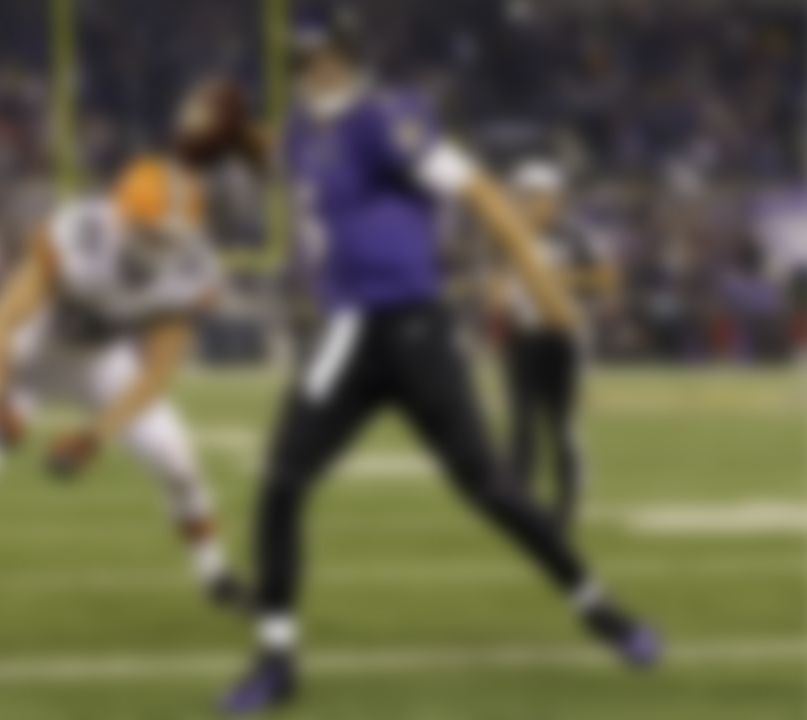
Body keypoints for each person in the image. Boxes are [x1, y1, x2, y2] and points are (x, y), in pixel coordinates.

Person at [220, 14, 661, 715]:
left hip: (412, 327)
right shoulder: (303, 131)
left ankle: (601, 609)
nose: (317, 68)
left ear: (352, 55)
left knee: (491, 487)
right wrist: (231, 137)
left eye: (327, 55)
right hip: (346, 330)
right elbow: (286, 160)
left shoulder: (386, 118)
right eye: (305, 57)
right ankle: (277, 656)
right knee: (281, 482)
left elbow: (481, 193)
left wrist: (543, 287)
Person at [0, 81, 259, 671]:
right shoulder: (82, 234)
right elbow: (1, 319)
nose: (156, 246)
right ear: (122, 216)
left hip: (101, 364)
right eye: (149, 232)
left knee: (179, 461)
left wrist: (96, 435)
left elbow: (156, 373)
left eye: (167, 237)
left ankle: (216, 574)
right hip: (28, 359)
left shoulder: (189, 269)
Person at [492, 160, 618, 533]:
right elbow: (499, 285)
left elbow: (606, 278)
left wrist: (559, 278)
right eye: (522, 196)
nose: (526, 203)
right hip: (521, 335)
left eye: (533, 196)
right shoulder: (510, 236)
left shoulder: (574, 236)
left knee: (560, 424)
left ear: (553, 199)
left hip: (561, 337)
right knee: (521, 422)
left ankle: (565, 505)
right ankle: (518, 503)